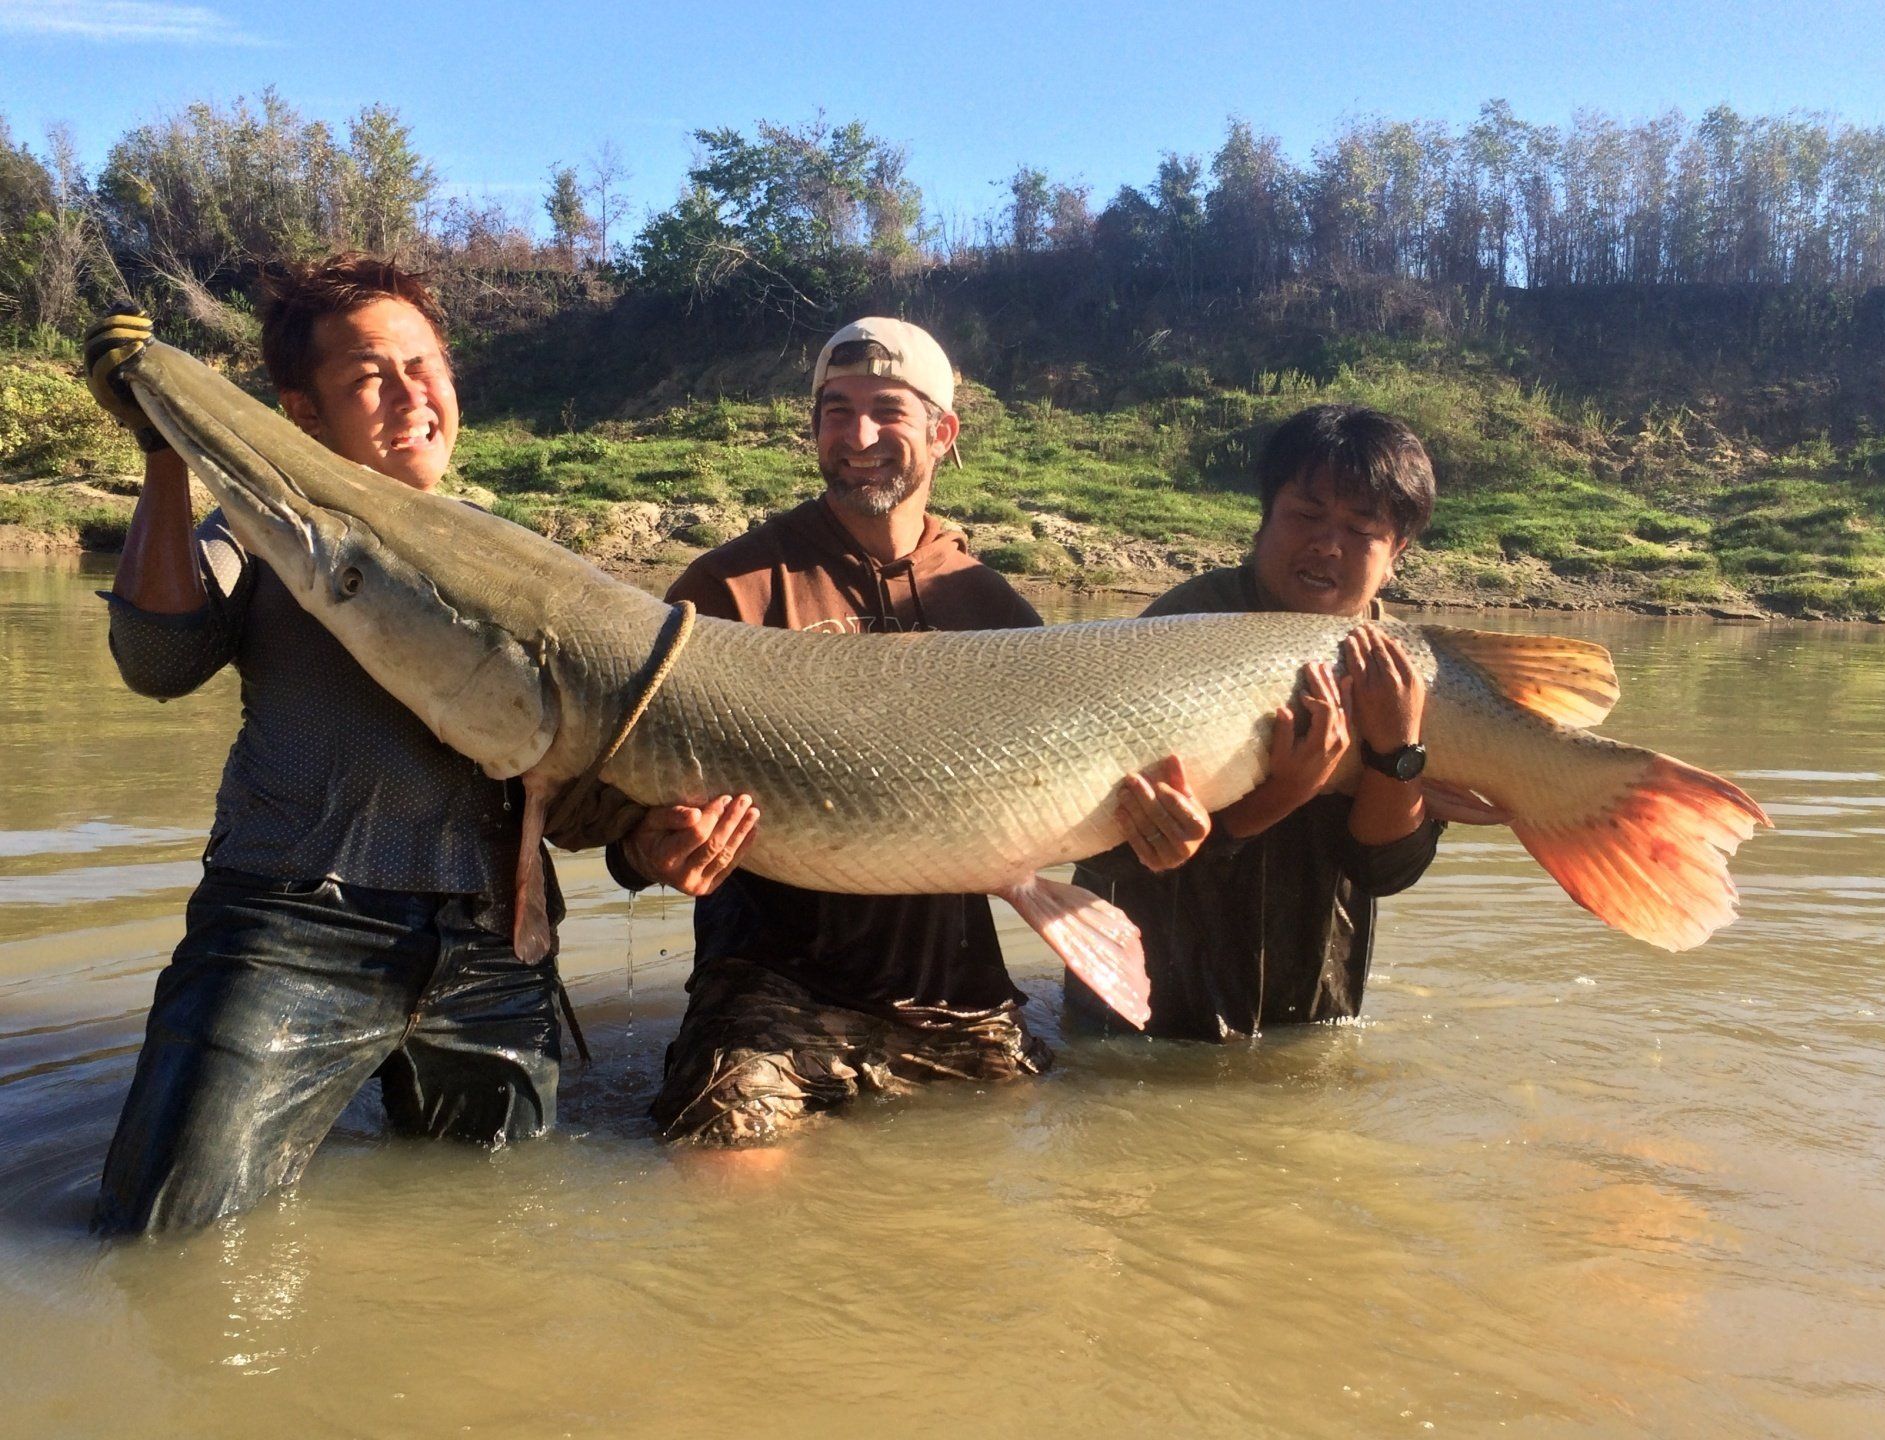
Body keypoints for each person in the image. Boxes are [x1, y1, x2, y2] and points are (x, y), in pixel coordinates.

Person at [84, 255, 589, 1235]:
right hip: (287, 927)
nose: (412, 396)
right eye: (369, 377)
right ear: (302, 411)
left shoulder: (516, 555)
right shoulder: (265, 528)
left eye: (426, 365)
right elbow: (157, 659)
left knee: (489, 1233)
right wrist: (164, 451)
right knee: (165, 1237)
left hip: (495, 944)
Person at [611, 318, 1207, 1146]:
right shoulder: (725, 592)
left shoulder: (992, 609)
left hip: (959, 998)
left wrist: (1153, 840)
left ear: (942, 431)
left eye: (888, 411)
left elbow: (1067, 815)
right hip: (772, 994)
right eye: (835, 410)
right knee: (719, 1179)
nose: (858, 437)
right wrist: (651, 853)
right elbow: (617, 811)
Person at [1068, 404, 1445, 1041]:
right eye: (1306, 515)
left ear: (1397, 551)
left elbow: (1387, 870)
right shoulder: (1179, 630)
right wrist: (1282, 795)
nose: (1328, 545)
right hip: (1141, 1026)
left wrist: (1397, 751)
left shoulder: (1408, 668)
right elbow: (1109, 850)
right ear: (1265, 518)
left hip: (1309, 1018)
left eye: (1361, 529)